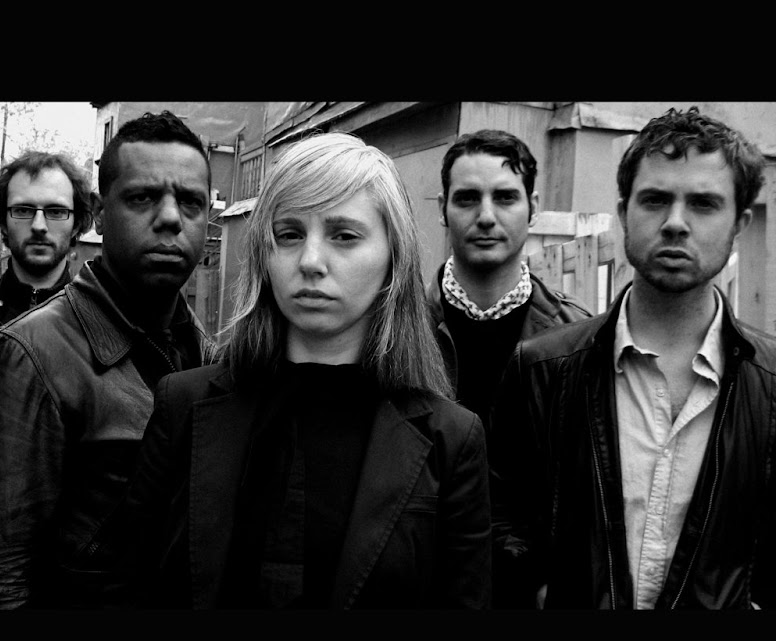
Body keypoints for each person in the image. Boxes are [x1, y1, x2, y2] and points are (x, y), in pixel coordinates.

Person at [95, 132, 491, 610]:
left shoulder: (450, 438)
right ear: (264, 255)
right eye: (289, 234)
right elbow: (127, 586)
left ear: (394, 256)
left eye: (344, 236)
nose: (310, 262)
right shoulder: (184, 405)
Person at [489, 106, 776, 609]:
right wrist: (536, 587)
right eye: (655, 200)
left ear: (740, 224)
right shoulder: (541, 368)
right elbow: (500, 519)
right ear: (624, 213)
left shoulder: (770, 383)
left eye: (704, 204)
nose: (675, 223)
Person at [0, 111, 214, 609]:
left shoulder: (208, 351)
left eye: (190, 202)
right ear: (98, 214)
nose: (170, 218)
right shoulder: (23, 356)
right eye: (142, 197)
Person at [427, 129, 590, 423]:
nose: (486, 217)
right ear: (443, 209)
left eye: (504, 198)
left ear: (533, 208)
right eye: (467, 198)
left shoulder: (577, 333)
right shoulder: (400, 325)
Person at [0, 151, 94, 324]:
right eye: (23, 210)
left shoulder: (97, 326)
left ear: (76, 225)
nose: (39, 226)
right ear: (3, 221)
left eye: (56, 212)